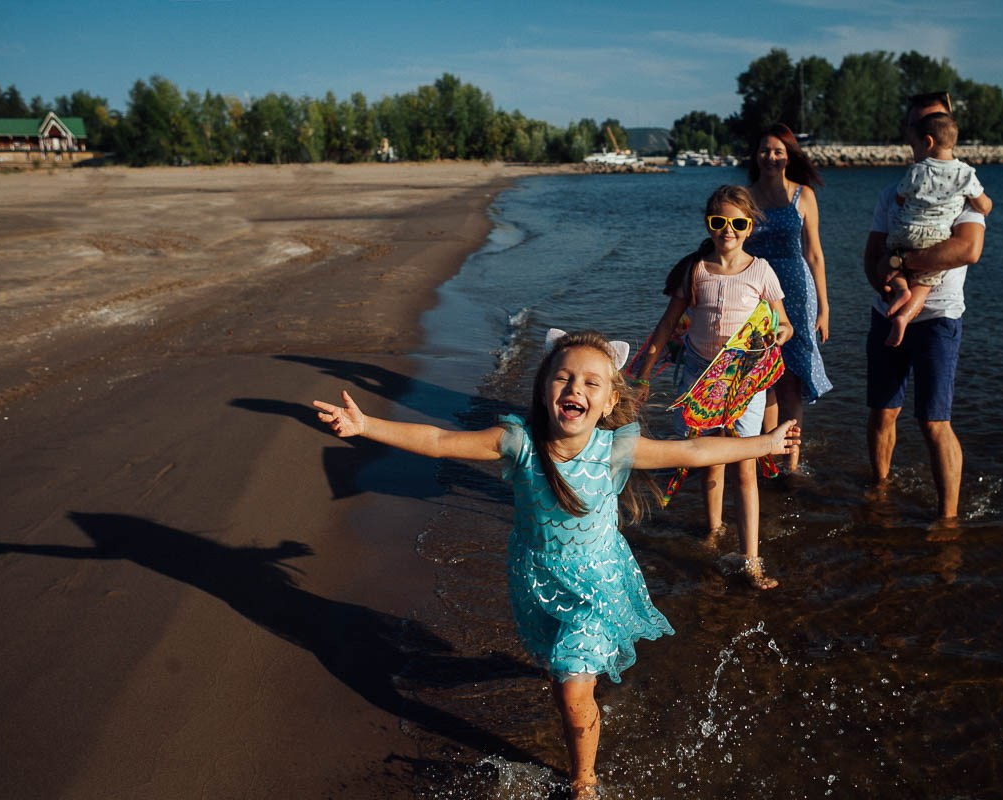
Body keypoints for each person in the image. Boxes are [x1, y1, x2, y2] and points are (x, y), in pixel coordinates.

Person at [314, 329, 799, 799]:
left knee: (571, 689)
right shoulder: (518, 442)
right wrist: (366, 426)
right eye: (564, 378)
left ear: (609, 402)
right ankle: (568, 692)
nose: (576, 389)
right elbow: (440, 441)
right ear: (545, 388)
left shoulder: (613, 449)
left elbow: (693, 449)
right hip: (535, 575)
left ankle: (583, 780)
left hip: (598, 580)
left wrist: (766, 443)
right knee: (559, 669)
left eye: (592, 382)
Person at [633, 185, 793, 589]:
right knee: (707, 462)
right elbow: (667, 326)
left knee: (745, 466)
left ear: (750, 226)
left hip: (744, 380)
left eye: (738, 223)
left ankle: (752, 559)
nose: (728, 230)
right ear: (708, 222)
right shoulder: (696, 270)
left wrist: (778, 335)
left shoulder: (761, 271)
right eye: (719, 222)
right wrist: (643, 374)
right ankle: (713, 531)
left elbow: (784, 322)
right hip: (700, 379)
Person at [863, 91, 987, 525]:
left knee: (934, 422)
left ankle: (947, 519)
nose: (921, 134)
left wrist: (903, 262)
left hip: (940, 318)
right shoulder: (896, 190)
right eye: (917, 125)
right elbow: (871, 258)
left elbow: (968, 249)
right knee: (882, 412)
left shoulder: (963, 191)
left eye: (932, 122)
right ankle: (878, 492)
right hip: (885, 313)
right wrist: (890, 273)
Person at [747, 124, 832, 472]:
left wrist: (825, 308)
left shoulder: (804, 195)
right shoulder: (743, 196)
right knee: (762, 379)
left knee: (791, 380)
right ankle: (768, 456)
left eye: (778, 151)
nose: (771, 157)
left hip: (797, 292)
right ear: (756, 155)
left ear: (789, 156)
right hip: (754, 292)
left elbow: (814, 255)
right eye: (765, 150)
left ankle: (791, 464)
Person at [883, 111, 993, 347]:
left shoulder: (917, 170)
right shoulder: (966, 174)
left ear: (928, 142)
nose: (914, 153)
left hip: (907, 230)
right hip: (937, 238)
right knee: (926, 282)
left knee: (891, 261)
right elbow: (984, 206)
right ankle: (903, 316)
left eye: (915, 146)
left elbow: (900, 199)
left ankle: (901, 290)